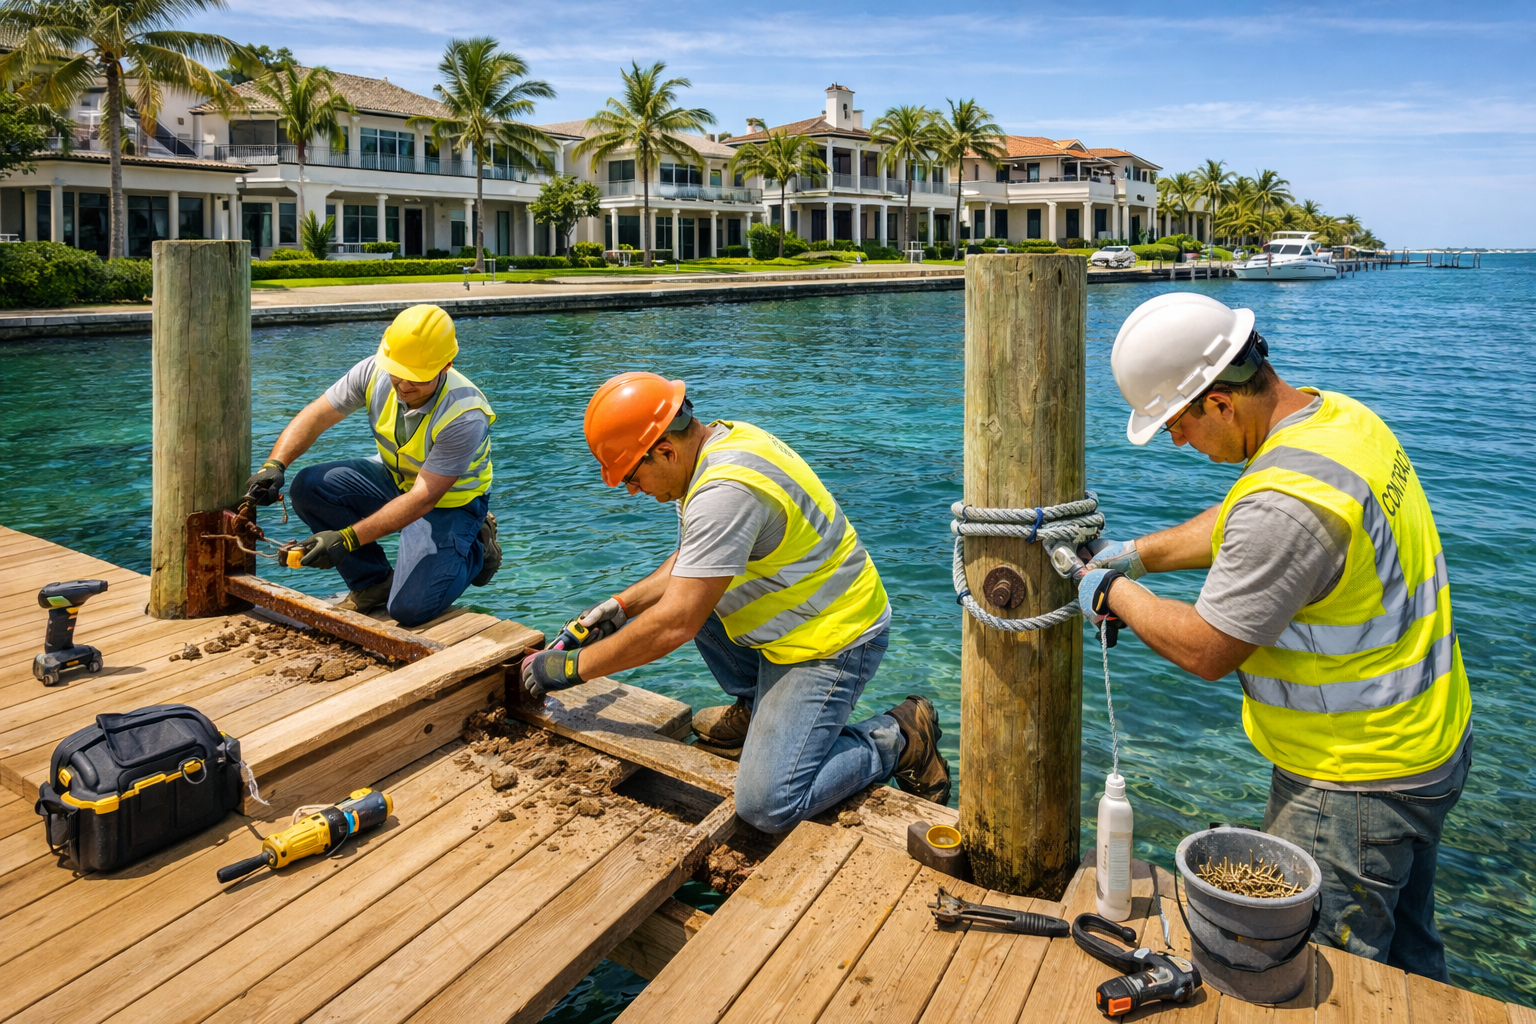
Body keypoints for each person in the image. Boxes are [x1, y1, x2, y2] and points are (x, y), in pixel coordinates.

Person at [1078, 292, 1471, 980]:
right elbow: (1244, 519)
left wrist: (1114, 594)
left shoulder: (1284, 502)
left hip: (1353, 783)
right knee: (1408, 961)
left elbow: (1207, 646)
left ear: (1221, 404)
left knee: (1321, 975)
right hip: (1431, 743)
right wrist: (1137, 552)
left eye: (1177, 423)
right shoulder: (1339, 420)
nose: (1176, 441)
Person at [519, 372, 950, 833]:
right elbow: (699, 555)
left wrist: (568, 669)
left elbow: (675, 624)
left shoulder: (725, 491)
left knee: (767, 805)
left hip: (831, 641)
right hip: (793, 626)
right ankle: (757, 706)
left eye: (631, 475)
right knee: (683, 596)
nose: (631, 490)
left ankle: (899, 737)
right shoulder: (714, 447)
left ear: (665, 450)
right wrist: (621, 606)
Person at [244, 304, 501, 626]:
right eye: (398, 372)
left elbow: (423, 498)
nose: (404, 385)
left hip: (451, 502)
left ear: (446, 366)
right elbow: (317, 416)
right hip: (394, 479)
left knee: (410, 610)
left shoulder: (465, 415)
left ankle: (478, 546)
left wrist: (346, 539)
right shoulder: (374, 371)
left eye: (416, 378)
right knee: (311, 486)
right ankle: (373, 582)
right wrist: (275, 464)